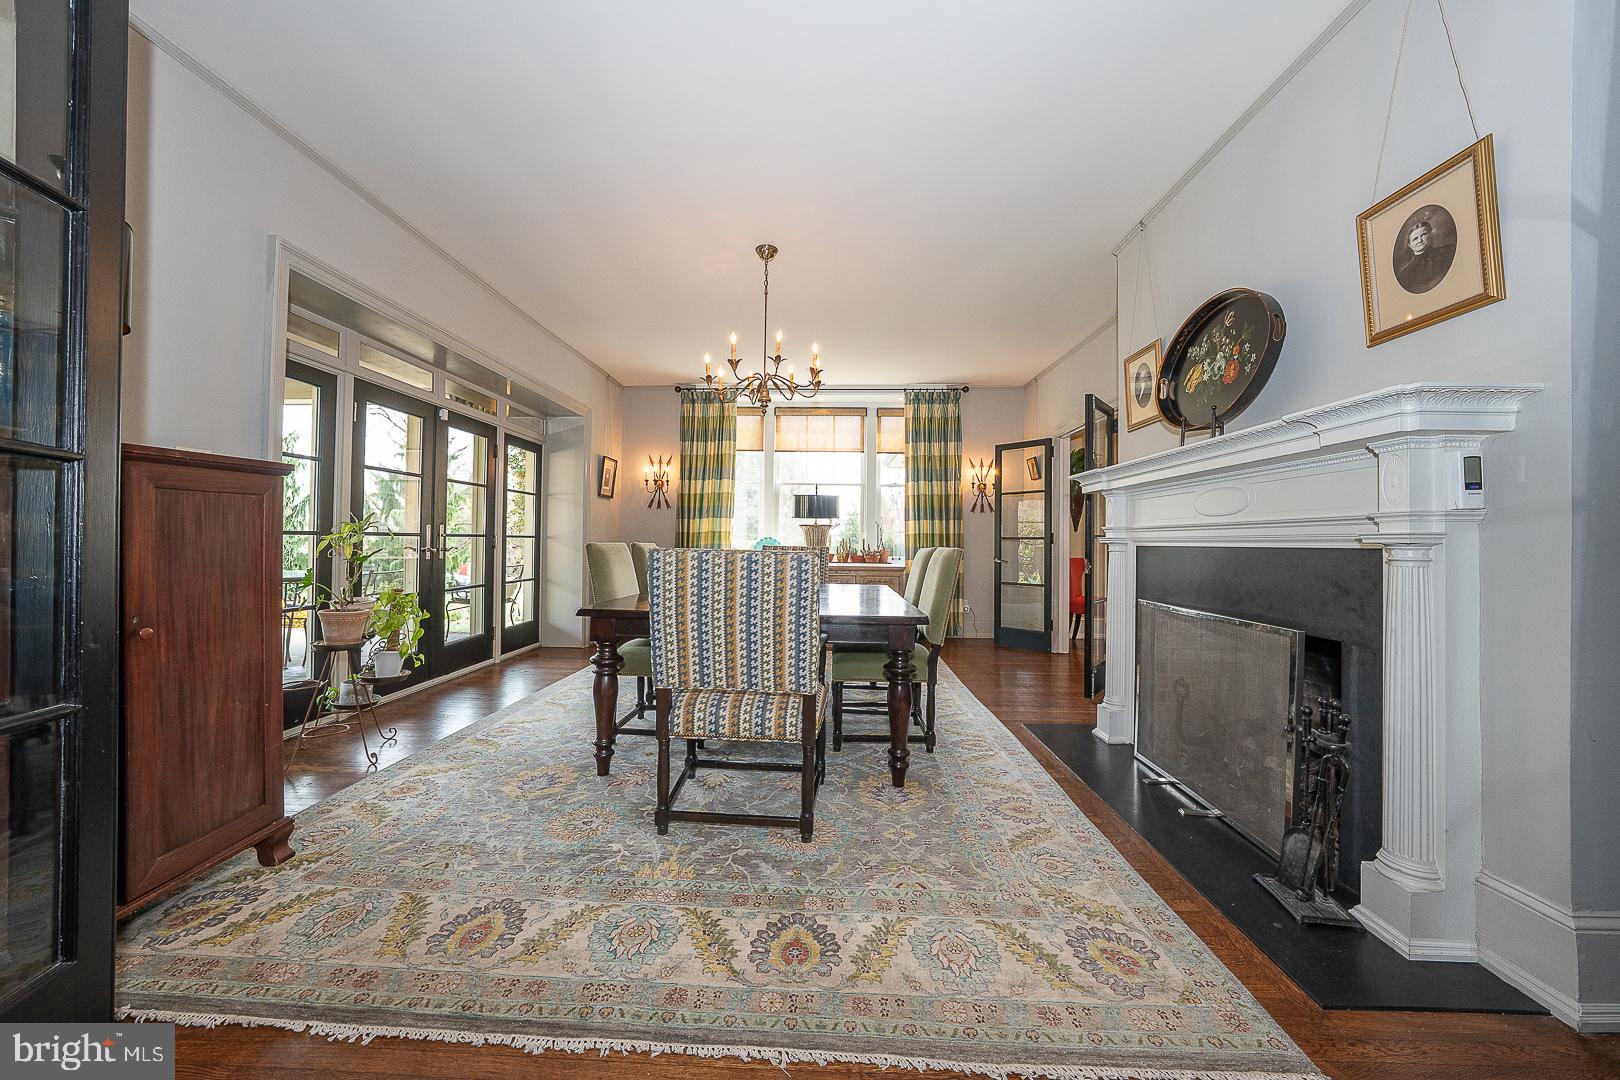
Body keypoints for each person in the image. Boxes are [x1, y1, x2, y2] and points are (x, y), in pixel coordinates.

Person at [1392, 205, 1456, 294]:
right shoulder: (1405, 274)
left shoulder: (1447, 251)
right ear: (1410, 245)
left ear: (1429, 235)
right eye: (1415, 239)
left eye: (1423, 235)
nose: (1420, 240)